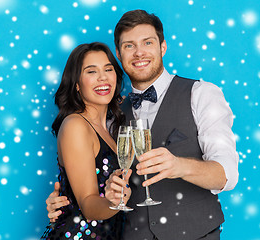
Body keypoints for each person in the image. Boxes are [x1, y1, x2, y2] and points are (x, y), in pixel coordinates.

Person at [46, 10, 239, 240]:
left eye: (147, 42)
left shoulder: (201, 94)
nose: (139, 52)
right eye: (129, 45)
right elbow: (93, 183)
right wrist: (67, 204)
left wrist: (179, 165)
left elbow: (227, 175)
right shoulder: (111, 116)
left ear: (162, 47)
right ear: (119, 54)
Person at [41, 42, 133, 240]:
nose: (103, 77)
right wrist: (113, 201)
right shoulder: (76, 125)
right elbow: (89, 205)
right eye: (91, 72)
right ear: (76, 83)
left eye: (108, 69)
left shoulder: (109, 128)